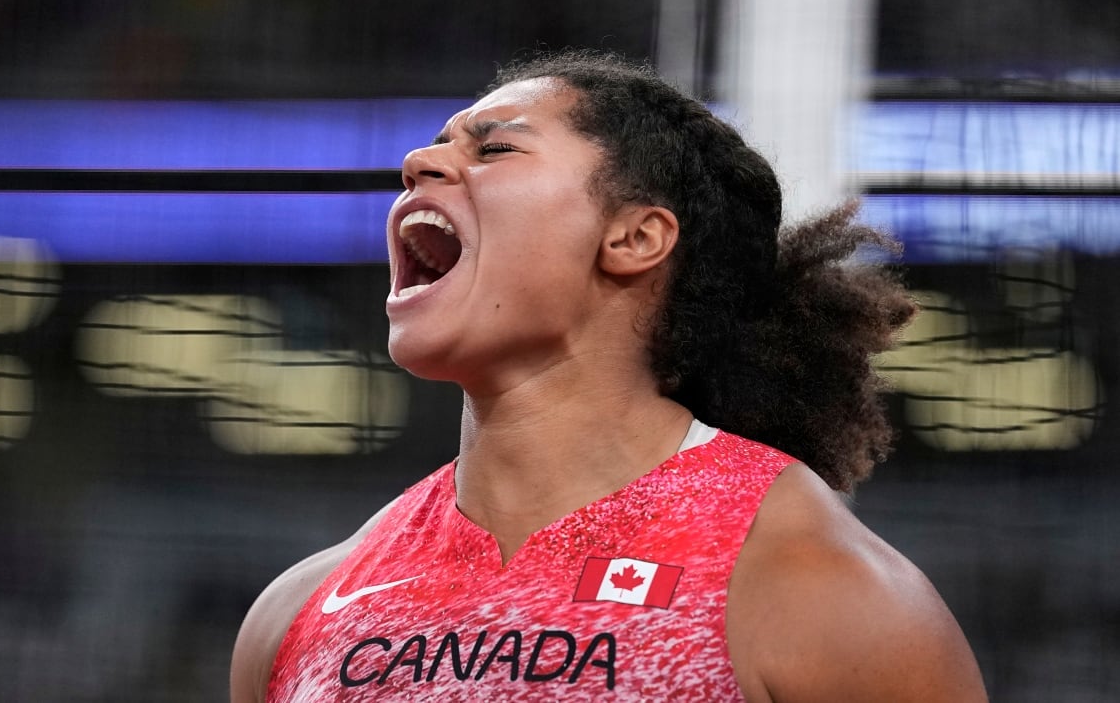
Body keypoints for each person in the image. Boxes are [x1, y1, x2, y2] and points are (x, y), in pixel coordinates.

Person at [230, 51, 988, 702]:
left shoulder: (813, 585)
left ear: (634, 236)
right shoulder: (301, 611)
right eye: (436, 146)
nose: (419, 163)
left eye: (494, 151)